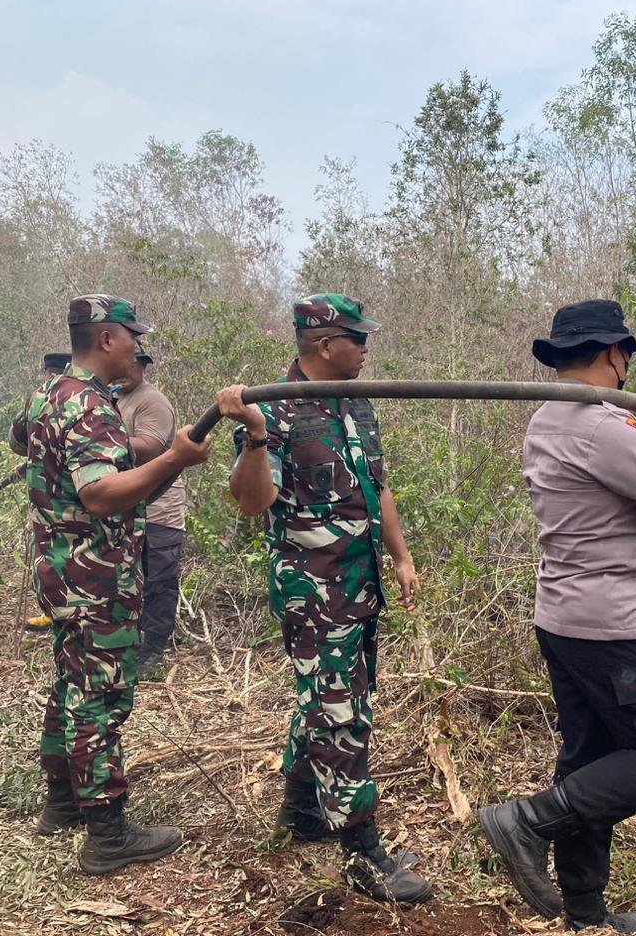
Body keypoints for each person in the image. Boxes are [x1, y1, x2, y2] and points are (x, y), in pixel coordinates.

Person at [478, 299, 636, 934]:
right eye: (626, 354)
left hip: (565, 620)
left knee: (590, 760)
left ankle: (585, 912)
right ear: (614, 353)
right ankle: (526, 821)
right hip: (616, 631)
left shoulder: (550, 418)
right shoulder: (602, 427)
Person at [215, 293, 431, 905]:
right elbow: (252, 502)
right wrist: (255, 437)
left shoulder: (357, 403)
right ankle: (361, 851)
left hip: (360, 580)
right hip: (314, 588)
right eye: (359, 339)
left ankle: (302, 810)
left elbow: (375, 484)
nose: (366, 349)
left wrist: (401, 555)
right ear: (326, 344)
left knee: (329, 692)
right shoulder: (272, 410)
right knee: (340, 708)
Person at [12, 294, 210, 875]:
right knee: (99, 696)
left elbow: (23, 441)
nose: (137, 348)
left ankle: (62, 803)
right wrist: (174, 459)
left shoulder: (49, 392)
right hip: (95, 577)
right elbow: (100, 495)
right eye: (132, 337)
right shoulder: (90, 404)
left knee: (72, 683)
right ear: (106, 339)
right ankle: (108, 834)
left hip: (61, 570)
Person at [113, 352, 186, 673]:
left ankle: (154, 649)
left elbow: (149, 447)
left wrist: (95, 441)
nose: (125, 370)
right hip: (127, 506)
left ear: (143, 367)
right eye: (123, 362)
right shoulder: (114, 399)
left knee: (159, 579)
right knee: (125, 579)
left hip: (160, 508)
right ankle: (129, 644)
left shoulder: (151, 401)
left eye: (133, 364)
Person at [12, 352, 72, 634]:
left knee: (48, 551)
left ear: (47, 372)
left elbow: (16, 441)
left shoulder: (37, 399)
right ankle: (62, 614)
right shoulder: (86, 397)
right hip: (71, 497)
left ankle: (55, 612)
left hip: (46, 495)